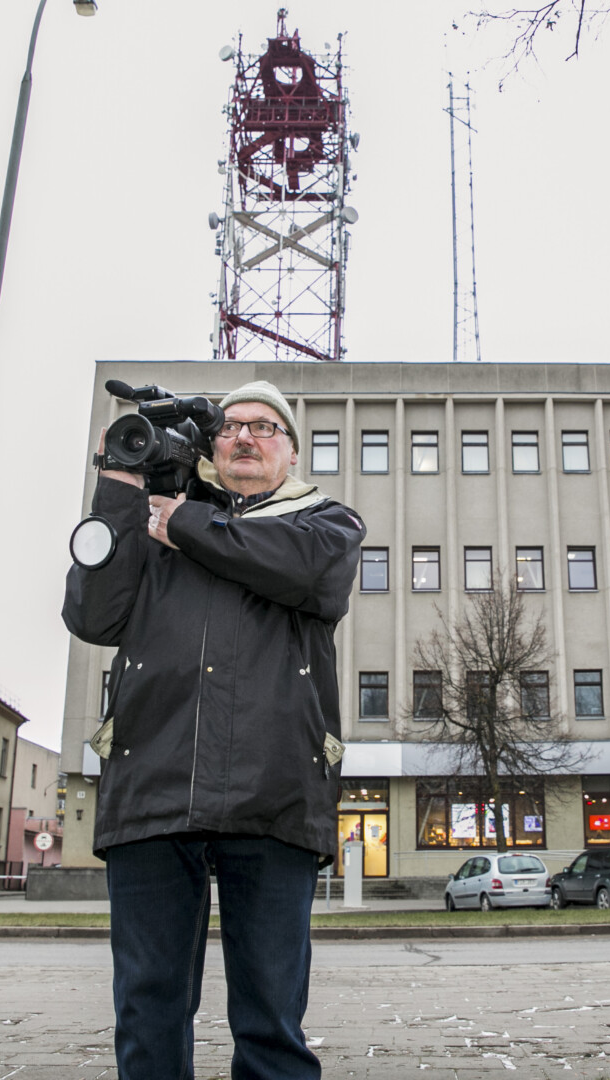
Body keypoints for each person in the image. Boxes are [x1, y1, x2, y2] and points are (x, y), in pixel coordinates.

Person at [62, 379, 365, 1079]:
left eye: (265, 427)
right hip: (152, 790)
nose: (246, 438)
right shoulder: (153, 520)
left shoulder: (326, 522)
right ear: (208, 448)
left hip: (275, 791)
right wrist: (119, 486)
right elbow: (93, 617)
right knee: (148, 1008)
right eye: (229, 428)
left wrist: (183, 523)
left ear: (290, 452)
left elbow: (306, 575)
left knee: (269, 1019)